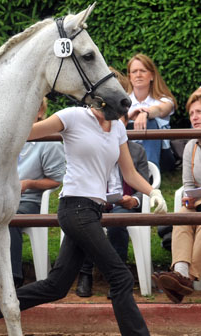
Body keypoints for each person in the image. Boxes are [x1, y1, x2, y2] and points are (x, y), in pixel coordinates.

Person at [0, 104, 174, 336]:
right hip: (75, 209)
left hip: (91, 210)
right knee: (121, 277)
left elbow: (130, 173)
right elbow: (30, 133)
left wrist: (153, 191)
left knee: (56, 286)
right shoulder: (74, 116)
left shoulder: (118, 128)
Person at [0, 99, 65, 304]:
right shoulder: (1, 138)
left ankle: (5, 283)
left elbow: (57, 179)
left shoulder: (48, 142)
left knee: (9, 220)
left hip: (27, 199)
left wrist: (29, 183)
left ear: (40, 113)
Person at [76, 68, 150, 297]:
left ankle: (115, 279)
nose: (113, 124)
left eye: (119, 120)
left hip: (123, 204)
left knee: (118, 220)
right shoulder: (91, 144)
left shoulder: (136, 151)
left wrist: (135, 201)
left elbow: (142, 182)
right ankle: (85, 274)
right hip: (95, 201)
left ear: (125, 124)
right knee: (88, 220)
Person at [156, 93, 201, 303]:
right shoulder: (191, 146)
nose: (194, 117)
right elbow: (189, 187)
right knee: (183, 213)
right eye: (192, 113)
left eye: (200, 111)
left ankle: (186, 280)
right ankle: (181, 274)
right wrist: (188, 200)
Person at [126, 54, 176, 171]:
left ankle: (149, 174)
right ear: (129, 77)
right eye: (134, 72)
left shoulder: (165, 100)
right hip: (130, 153)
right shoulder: (124, 102)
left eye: (143, 71)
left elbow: (161, 109)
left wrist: (145, 113)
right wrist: (127, 117)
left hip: (162, 155)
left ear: (152, 76)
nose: (138, 75)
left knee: (151, 122)